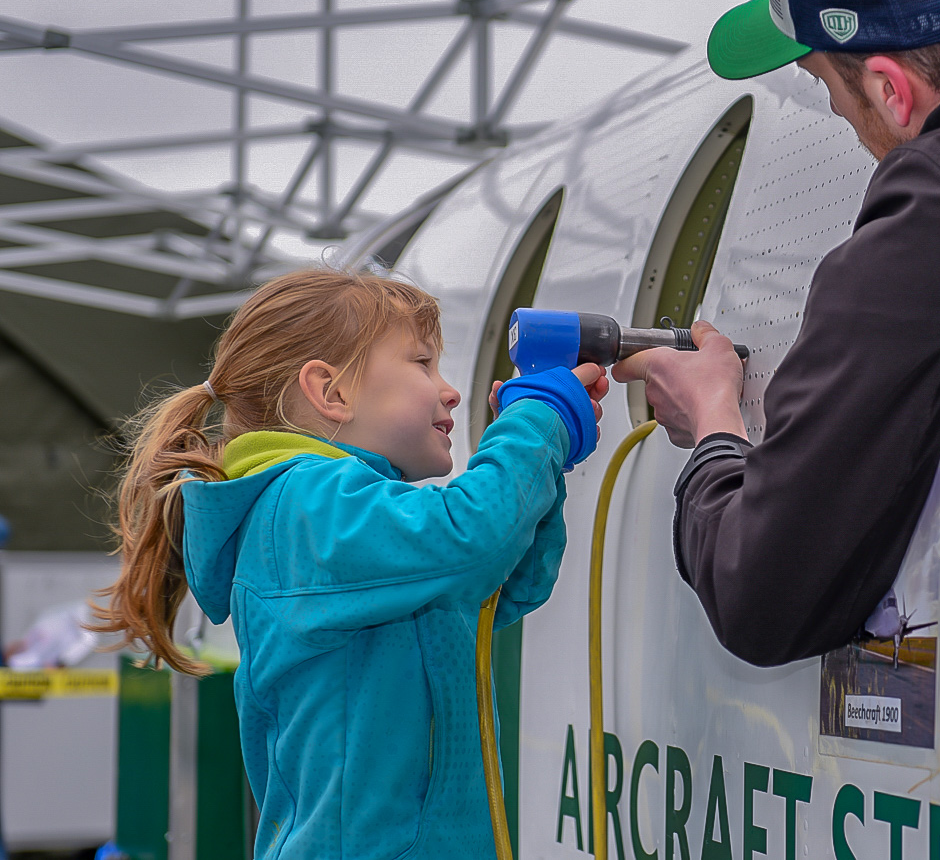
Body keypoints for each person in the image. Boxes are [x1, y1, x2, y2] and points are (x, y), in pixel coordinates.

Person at [613, 0, 940, 666]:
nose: (838, 114)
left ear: (889, 91)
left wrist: (713, 424)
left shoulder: (934, 212)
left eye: (826, 86)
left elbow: (760, 595)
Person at [90, 268, 606, 859]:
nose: (450, 391)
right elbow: (473, 539)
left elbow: (506, 585)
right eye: (422, 363)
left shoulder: (342, 512)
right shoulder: (303, 504)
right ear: (330, 393)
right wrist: (535, 422)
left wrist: (539, 458)